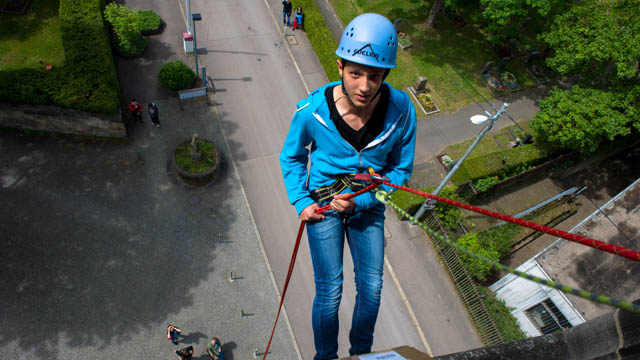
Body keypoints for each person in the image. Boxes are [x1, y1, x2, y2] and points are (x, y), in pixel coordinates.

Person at [279, 13, 416, 360]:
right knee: (330, 291)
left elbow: (400, 171)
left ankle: (361, 355)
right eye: (355, 73)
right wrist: (300, 201)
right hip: (322, 202)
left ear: (385, 74)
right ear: (339, 66)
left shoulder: (401, 112)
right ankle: (325, 357)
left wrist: (365, 201)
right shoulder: (312, 111)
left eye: (374, 76)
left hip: (366, 205)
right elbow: (292, 158)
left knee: (371, 289)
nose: (364, 86)